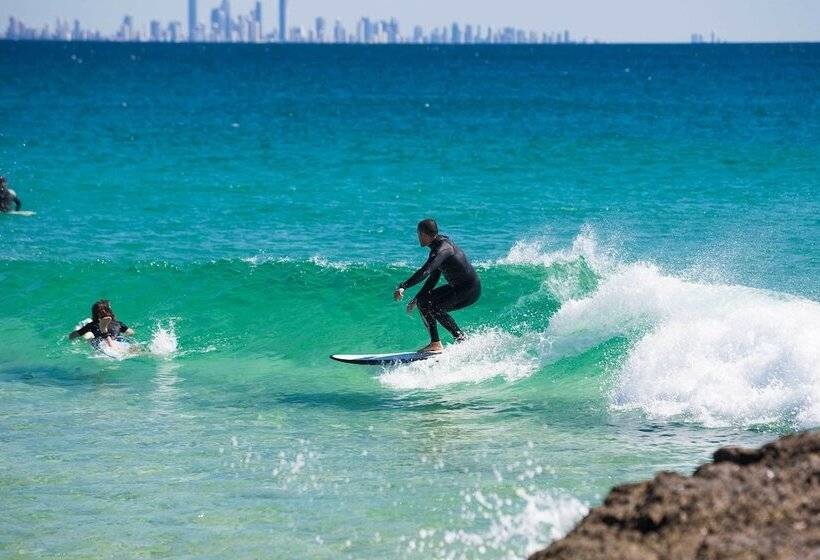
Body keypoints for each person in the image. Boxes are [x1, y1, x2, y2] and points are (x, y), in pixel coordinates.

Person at [394, 219, 481, 353]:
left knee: (435, 307)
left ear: (423, 234)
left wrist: (403, 286)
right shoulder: (439, 246)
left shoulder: (442, 249)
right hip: (460, 287)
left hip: (469, 290)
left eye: (418, 234)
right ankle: (441, 342)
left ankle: (458, 339)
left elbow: (426, 271)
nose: (418, 237)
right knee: (424, 301)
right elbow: (434, 277)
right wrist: (418, 297)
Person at [68, 300, 134, 347]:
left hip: (102, 343)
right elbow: (131, 332)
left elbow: (73, 336)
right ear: (110, 311)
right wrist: (124, 335)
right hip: (118, 342)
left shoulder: (92, 325)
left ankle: (103, 332)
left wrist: (71, 334)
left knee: (90, 339)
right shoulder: (118, 323)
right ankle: (105, 334)